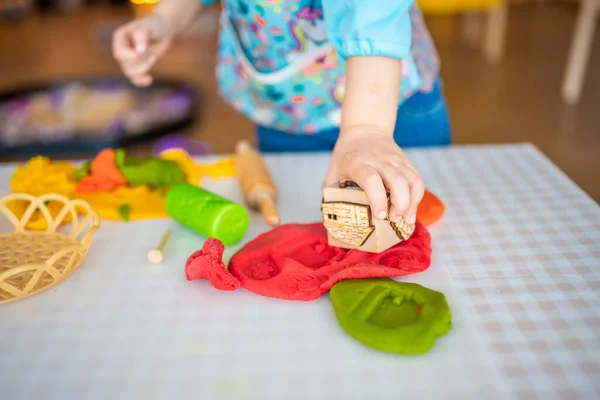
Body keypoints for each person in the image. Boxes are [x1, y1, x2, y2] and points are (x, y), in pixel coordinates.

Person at [112, 0, 451, 228]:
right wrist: (163, 20)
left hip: (389, 109)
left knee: (416, 222)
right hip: (286, 113)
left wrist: (366, 129)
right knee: (298, 219)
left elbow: (371, 14)